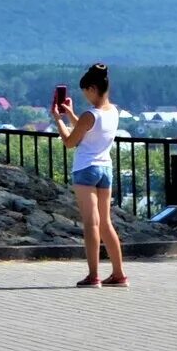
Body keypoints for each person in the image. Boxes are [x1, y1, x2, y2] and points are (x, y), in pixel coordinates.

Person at [53, 62, 129, 288]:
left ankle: (93, 275)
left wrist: (58, 119)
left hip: (86, 169)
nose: (85, 96)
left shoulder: (90, 114)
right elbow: (89, 131)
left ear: (93, 89)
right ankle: (118, 273)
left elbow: (70, 141)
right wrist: (71, 114)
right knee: (106, 223)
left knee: (91, 224)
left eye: (86, 92)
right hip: (105, 168)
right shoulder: (113, 111)